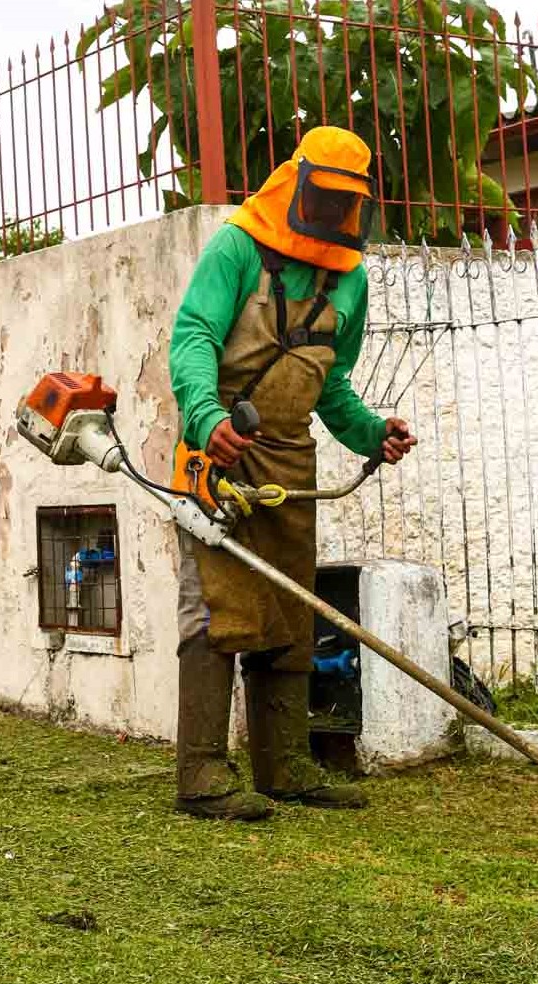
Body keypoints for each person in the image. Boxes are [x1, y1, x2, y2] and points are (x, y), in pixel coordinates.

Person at [167, 127, 415, 821]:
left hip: (290, 463)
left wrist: (372, 433)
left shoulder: (350, 276)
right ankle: (203, 773)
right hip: (218, 451)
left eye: (349, 204)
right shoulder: (237, 245)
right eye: (327, 199)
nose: (337, 216)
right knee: (219, 609)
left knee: (290, 610)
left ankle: (286, 767)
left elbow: (330, 385)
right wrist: (204, 416)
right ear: (299, 184)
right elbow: (193, 337)